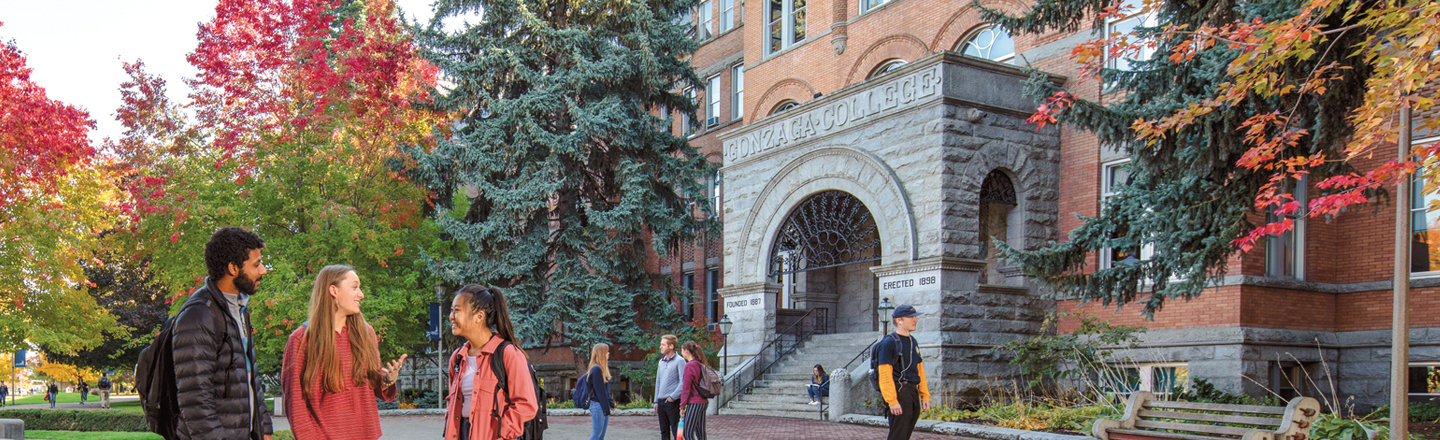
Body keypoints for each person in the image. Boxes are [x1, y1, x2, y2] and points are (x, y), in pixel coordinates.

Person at [282, 265, 408, 440]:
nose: (361, 294)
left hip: (366, 435)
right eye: (355, 287)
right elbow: (295, 403)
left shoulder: (367, 334)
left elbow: (372, 386)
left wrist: (388, 379)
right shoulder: (301, 339)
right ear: (334, 290)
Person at [173, 227, 274, 440]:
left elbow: (250, 377)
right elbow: (195, 402)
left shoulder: (239, 309)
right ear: (233, 268)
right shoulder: (199, 316)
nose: (263, 270)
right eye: (256, 264)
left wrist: (264, 428)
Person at [443, 285, 538, 440]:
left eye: (457, 310)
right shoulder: (457, 358)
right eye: (452, 310)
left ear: (479, 316)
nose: (451, 316)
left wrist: (500, 433)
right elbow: (452, 401)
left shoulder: (508, 354)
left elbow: (526, 405)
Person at [876, 304, 931, 440]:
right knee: (898, 436)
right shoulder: (889, 343)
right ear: (899, 320)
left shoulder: (913, 341)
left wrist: (925, 395)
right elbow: (884, 374)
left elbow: (919, 370)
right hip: (899, 392)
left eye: (915, 317)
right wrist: (892, 400)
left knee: (904, 436)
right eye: (911, 317)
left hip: (913, 392)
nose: (915, 320)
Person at [653, 334, 685, 440]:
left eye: (663, 344)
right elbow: (658, 381)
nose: (660, 347)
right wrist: (656, 401)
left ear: (671, 346)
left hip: (673, 402)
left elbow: (683, 382)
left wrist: (672, 397)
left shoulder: (680, 361)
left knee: (677, 431)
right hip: (661, 402)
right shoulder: (661, 362)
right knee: (664, 432)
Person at [679, 341, 709, 440]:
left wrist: (682, 406)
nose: (681, 353)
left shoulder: (690, 365)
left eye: (682, 350)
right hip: (703, 401)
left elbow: (686, 388)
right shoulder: (700, 364)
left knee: (687, 433)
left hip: (695, 401)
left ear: (686, 351)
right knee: (701, 434)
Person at [585, 343, 616, 440]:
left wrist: (611, 403)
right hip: (598, 406)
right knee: (596, 435)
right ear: (601, 354)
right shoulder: (596, 369)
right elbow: (600, 392)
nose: (608, 353)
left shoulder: (601, 369)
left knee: (600, 436)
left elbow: (605, 390)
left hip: (601, 405)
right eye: (606, 351)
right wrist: (607, 409)